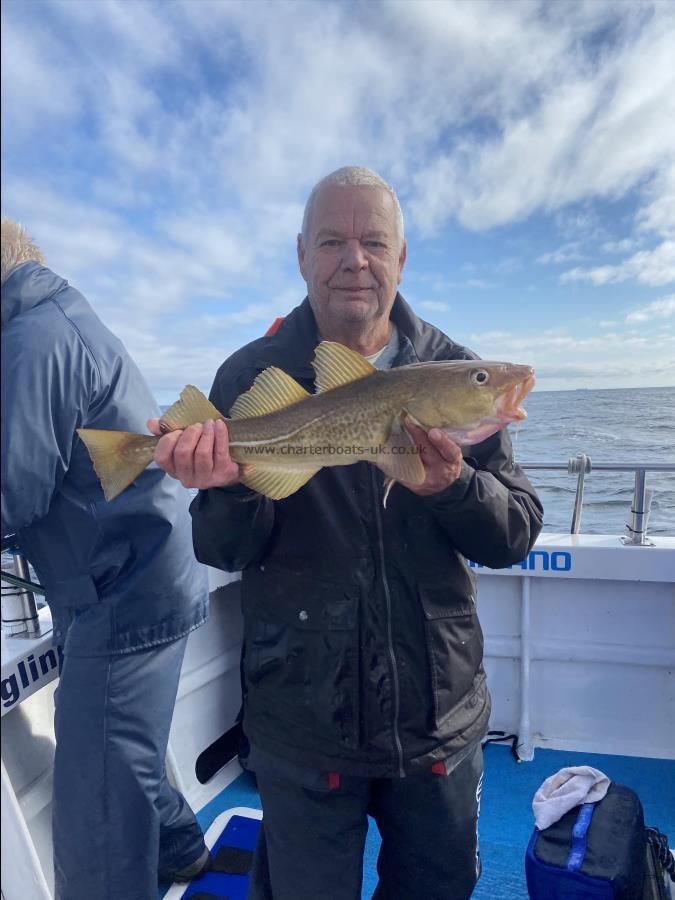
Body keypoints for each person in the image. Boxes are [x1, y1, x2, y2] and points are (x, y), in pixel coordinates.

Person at [150, 167, 544, 899]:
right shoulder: (252, 371)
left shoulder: (455, 376)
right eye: (331, 241)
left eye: (372, 242)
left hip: (436, 718)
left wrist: (451, 486)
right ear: (301, 254)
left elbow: (513, 533)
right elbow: (222, 549)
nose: (352, 260)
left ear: (401, 258)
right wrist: (228, 485)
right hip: (302, 719)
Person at [1, 219, 211, 900]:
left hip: (122, 591)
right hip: (144, 571)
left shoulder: (33, 340)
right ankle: (179, 847)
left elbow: (11, 493)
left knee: (97, 806)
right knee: (124, 757)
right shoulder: (58, 317)